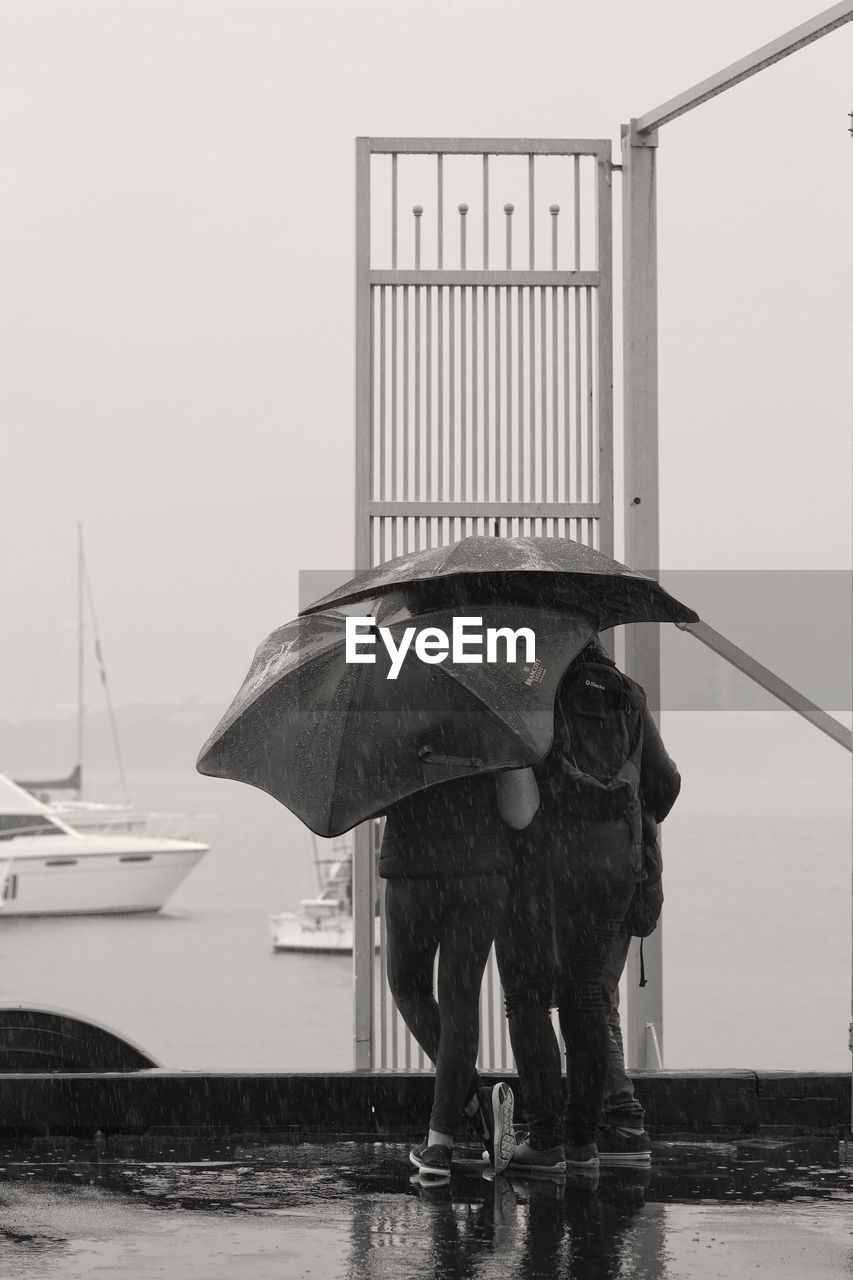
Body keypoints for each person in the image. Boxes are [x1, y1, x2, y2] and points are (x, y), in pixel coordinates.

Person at [495, 639, 680, 1172]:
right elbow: (664, 785)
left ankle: (546, 1141)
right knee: (588, 1000)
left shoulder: (532, 689)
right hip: (611, 870)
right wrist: (618, 798)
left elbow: (515, 786)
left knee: (527, 999)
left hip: (540, 868)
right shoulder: (628, 696)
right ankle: (583, 1146)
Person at [380, 766, 538, 1180]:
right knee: (460, 1000)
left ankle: (474, 1106)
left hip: (412, 865)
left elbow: (372, 798)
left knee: (408, 987)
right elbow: (519, 813)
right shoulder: (492, 726)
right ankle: (441, 1142)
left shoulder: (392, 725)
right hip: (481, 867)